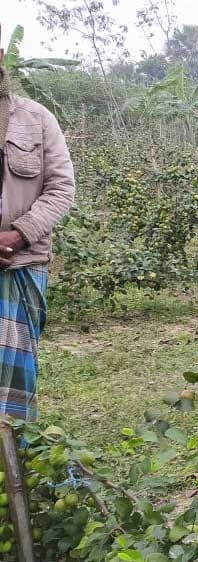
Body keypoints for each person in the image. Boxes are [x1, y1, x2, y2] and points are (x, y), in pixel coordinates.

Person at [0, 45, 76, 421]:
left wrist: (19, 233)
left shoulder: (36, 119)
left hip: (22, 263)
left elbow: (62, 188)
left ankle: (15, 455)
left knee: (14, 376)